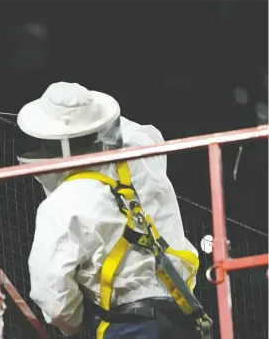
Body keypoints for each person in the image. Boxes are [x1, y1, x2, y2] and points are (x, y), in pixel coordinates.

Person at [16, 82, 204, 339]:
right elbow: (137, 130)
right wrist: (91, 116)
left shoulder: (63, 203)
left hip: (127, 326)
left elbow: (53, 292)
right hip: (184, 320)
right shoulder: (142, 153)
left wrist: (79, 324)